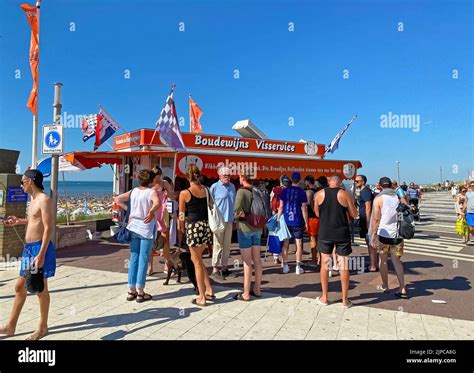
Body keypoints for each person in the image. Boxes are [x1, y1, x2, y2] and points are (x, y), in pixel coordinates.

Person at [0, 170, 55, 340]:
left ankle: (43, 327)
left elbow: (48, 228)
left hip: (39, 249)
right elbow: (34, 220)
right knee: (19, 287)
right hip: (29, 250)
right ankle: (10, 327)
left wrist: (41, 254)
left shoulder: (44, 200)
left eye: (23, 181)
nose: (21, 184)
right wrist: (19, 221)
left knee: (40, 289)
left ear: (31, 181)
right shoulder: (33, 200)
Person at [116, 169, 161, 303]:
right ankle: (141, 292)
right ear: (151, 180)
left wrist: (129, 211)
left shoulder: (134, 191)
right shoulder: (151, 192)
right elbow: (157, 203)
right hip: (146, 228)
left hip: (133, 226)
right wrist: (151, 211)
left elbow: (117, 199)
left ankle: (131, 290)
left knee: (134, 257)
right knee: (143, 259)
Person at [314, 175, 357, 308]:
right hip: (341, 233)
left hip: (325, 232)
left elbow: (317, 213)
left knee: (325, 264)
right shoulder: (344, 194)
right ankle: (345, 300)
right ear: (340, 183)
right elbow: (354, 214)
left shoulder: (319, 194)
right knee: (343, 265)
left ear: (329, 182)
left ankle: (325, 297)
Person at [178, 164, 215, 307]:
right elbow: (211, 206)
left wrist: (181, 228)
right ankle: (209, 289)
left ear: (187, 177)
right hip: (206, 226)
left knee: (197, 262)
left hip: (193, 227)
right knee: (198, 259)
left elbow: (181, 215)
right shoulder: (206, 190)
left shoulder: (184, 193)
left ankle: (201, 296)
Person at [370, 177, 408, 299]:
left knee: (383, 260)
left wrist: (373, 233)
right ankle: (402, 288)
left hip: (384, 234)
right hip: (398, 234)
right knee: (397, 261)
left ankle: (385, 285)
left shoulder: (379, 199)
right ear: (391, 185)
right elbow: (405, 213)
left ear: (380, 186)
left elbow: (376, 219)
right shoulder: (399, 198)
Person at [233, 173, 263, 301]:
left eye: (240, 176)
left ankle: (245, 293)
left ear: (243, 178)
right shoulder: (258, 191)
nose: (239, 178)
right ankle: (257, 288)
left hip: (245, 229)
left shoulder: (241, 192)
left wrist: (238, 216)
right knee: (257, 260)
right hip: (258, 228)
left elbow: (236, 211)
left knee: (246, 261)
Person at [277, 172, 308, 275]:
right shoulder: (302, 192)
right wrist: (306, 222)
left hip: (286, 220)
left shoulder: (285, 191)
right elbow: (304, 208)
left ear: (291, 179)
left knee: (285, 243)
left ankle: (285, 265)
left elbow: (281, 207)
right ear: (299, 180)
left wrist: (277, 219)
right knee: (298, 244)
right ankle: (298, 267)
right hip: (298, 220)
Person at [210, 166, 236, 280]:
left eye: (229, 175)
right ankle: (215, 268)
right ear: (219, 176)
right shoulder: (214, 187)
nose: (227, 177)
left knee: (226, 245)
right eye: (225, 175)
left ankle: (224, 267)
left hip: (229, 219)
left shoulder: (232, 187)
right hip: (218, 220)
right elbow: (210, 204)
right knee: (217, 244)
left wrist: (235, 219)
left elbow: (234, 203)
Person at [355, 175, 377, 272]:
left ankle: (373, 265)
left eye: (357, 181)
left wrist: (368, 223)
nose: (355, 183)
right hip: (364, 219)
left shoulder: (366, 192)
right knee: (369, 242)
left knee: (370, 243)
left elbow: (368, 208)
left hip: (366, 220)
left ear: (363, 182)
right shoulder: (364, 191)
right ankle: (374, 263)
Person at [270, 175, 290, 264]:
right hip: (284, 215)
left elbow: (271, 201)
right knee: (285, 237)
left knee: (275, 235)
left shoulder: (274, 189)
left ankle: (275, 257)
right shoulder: (288, 191)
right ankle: (284, 260)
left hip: (275, 214)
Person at [304, 175, 320, 267]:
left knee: (313, 239)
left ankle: (314, 260)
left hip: (312, 217)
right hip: (319, 217)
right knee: (319, 239)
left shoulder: (309, 192)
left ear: (308, 182)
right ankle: (320, 259)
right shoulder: (319, 190)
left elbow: (307, 205)